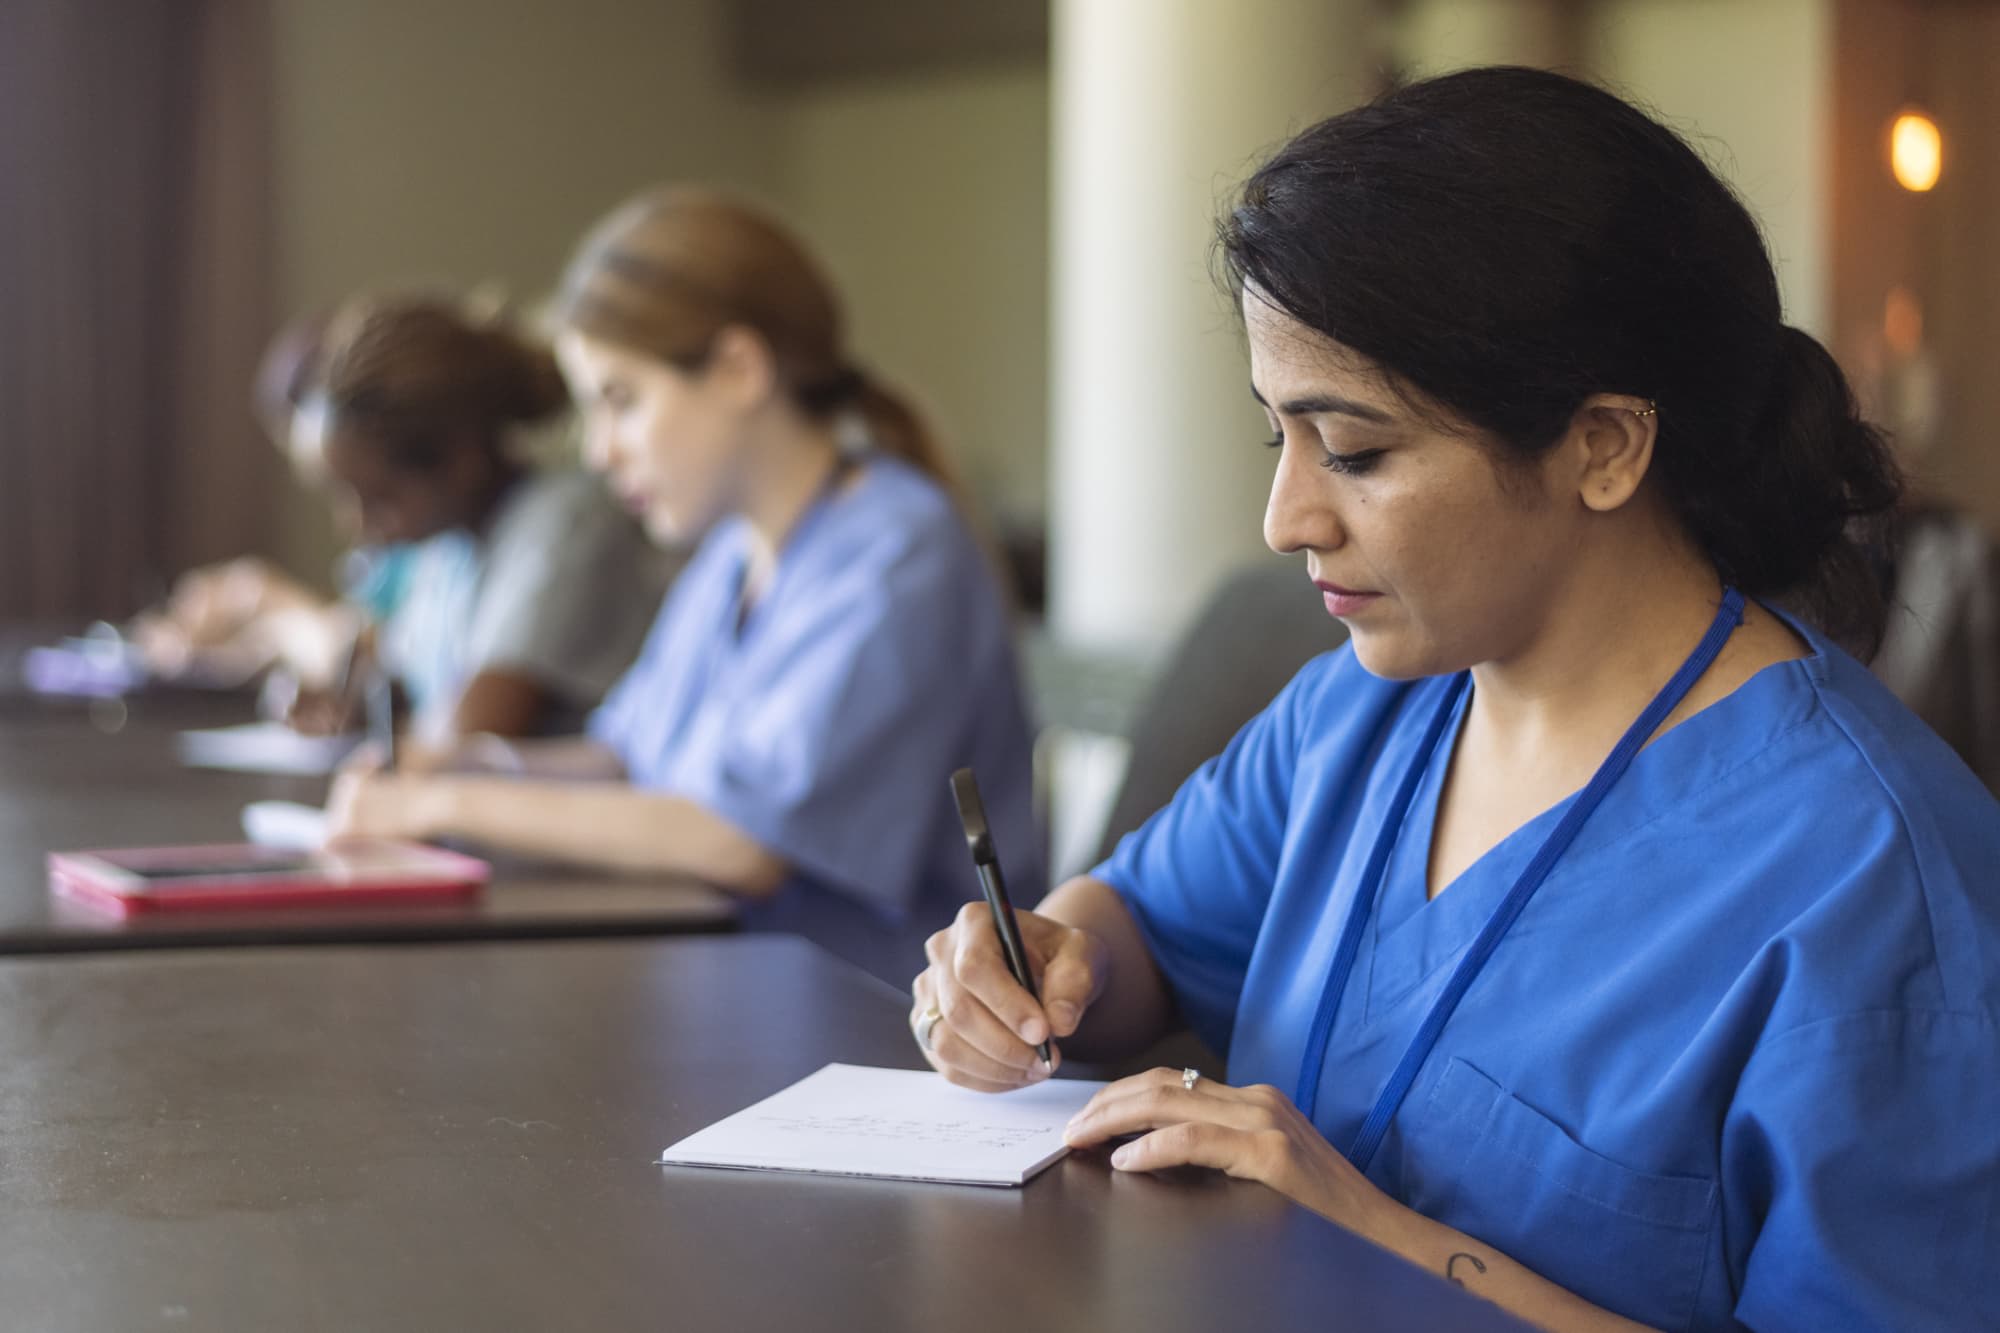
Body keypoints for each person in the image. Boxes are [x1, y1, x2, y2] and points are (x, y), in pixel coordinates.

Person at [912, 68, 2000, 1332]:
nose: (1284, 519)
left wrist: (1368, 1232)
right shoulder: (1362, 712)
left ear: (1603, 445)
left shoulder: (1875, 887)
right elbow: (1139, 926)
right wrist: (1036, 961)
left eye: (1357, 452)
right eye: (1280, 437)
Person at [326, 187, 1040, 986]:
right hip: (727, 995)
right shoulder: (731, 556)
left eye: (621, 402)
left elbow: (743, 842)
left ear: (739, 368)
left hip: (874, 1031)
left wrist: (443, 806)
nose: (600, 452)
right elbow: (626, 755)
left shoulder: (900, 554)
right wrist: (459, 764)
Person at [291, 294, 675, 747]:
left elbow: (465, 738)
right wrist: (353, 703)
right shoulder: (445, 549)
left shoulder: (567, 525)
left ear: (462, 461)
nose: (355, 524)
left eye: (380, 498)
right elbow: (414, 691)